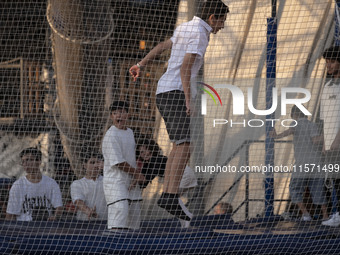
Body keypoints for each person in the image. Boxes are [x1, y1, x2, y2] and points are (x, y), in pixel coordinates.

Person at [129, 0, 229, 221]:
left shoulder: (186, 26)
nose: (222, 26)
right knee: (185, 145)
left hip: (163, 91)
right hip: (174, 92)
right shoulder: (201, 34)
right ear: (212, 18)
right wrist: (187, 99)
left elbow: (163, 46)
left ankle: (169, 193)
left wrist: (141, 63)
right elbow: (185, 69)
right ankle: (170, 194)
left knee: (180, 145)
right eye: (222, 21)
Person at [270, 106, 328, 222]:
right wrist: (327, 136)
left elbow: (290, 131)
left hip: (302, 163)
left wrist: (277, 136)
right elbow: (316, 140)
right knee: (318, 189)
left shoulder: (295, 123)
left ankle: (306, 214)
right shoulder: (312, 125)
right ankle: (326, 216)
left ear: (294, 115)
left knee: (294, 188)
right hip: (316, 162)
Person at [102, 101, 145, 230]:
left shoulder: (130, 132)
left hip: (131, 182)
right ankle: (115, 246)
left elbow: (132, 157)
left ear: (127, 114)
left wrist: (135, 177)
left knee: (134, 217)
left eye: (122, 112)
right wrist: (137, 174)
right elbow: (119, 163)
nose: (118, 116)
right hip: (115, 183)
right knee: (120, 210)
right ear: (111, 116)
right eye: (115, 113)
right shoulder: (111, 135)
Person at [5, 147, 63, 221]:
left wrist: (55, 217)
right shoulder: (18, 185)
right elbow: (10, 214)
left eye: (29, 160)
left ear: (39, 161)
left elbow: (59, 206)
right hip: (24, 228)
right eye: (23, 161)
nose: (25, 164)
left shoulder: (51, 183)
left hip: (46, 226)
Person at [320, 45, 340, 226]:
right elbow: (324, 118)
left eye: (332, 61)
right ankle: (338, 213)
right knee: (335, 178)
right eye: (327, 62)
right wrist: (326, 142)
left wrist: (336, 140)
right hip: (330, 144)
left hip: (338, 142)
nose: (329, 65)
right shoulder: (327, 86)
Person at [70, 153, 107, 221]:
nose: (96, 165)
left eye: (98, 162)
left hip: (105, 221)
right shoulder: (78, 184)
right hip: (84, 223)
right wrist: (88, 211)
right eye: (92, 162)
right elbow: (78, 201)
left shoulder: (107, 181)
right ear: (84, 165)